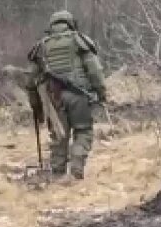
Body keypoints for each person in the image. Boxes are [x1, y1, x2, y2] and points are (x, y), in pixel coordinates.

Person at [25, 10, 108, 180]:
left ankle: (57, 173)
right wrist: (101, 93)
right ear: (70, 24)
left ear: (52, 26)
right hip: (79, 96)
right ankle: (76, 169)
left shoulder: (41, 46)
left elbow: (30, 80)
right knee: (83, 131)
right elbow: (95, 71)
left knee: (58, 135)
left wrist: (36, 106)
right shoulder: (79, 40)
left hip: (54, 99)